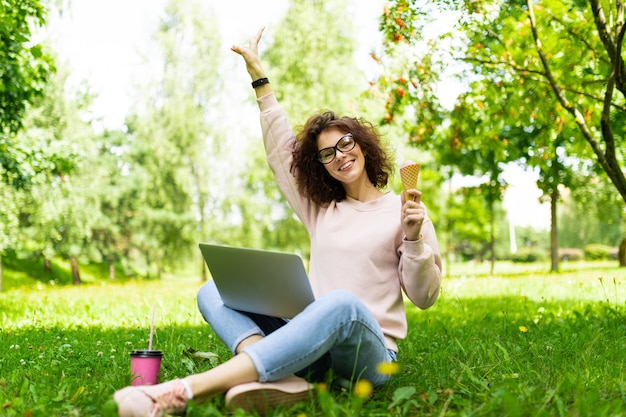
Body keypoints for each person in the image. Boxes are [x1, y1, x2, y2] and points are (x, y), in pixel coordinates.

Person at [113, 26, 442, 417]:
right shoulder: (322, 209)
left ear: (363, 146)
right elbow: (281, 149)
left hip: (369, 357)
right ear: (320, 166)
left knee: (341, 304)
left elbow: (424, 298)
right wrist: (258, 74)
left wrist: (413, 238)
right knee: (212, 291)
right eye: (326, 154)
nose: (339, 155)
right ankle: (285, 377)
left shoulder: (405, 211)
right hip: (314, 343)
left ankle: (180, 392)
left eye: (346, 143)